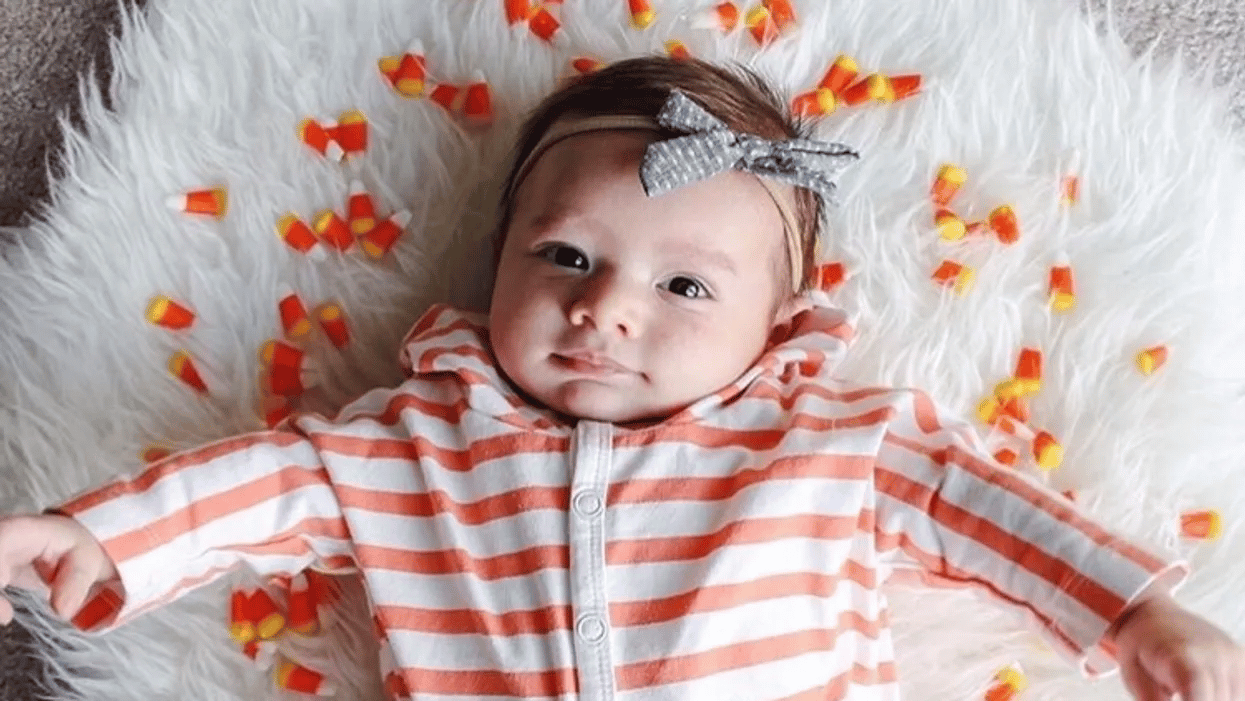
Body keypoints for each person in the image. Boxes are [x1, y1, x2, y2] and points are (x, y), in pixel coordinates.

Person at [0, 56, 1241, 701]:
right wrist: (89, 537)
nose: (604, 307)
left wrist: (1131, 610)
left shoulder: (829, 442)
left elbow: (989, 508)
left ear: (781, 320)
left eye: (685, 287)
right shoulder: (419, 442)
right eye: (565, 256)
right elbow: (260, 488)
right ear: (497, 264)